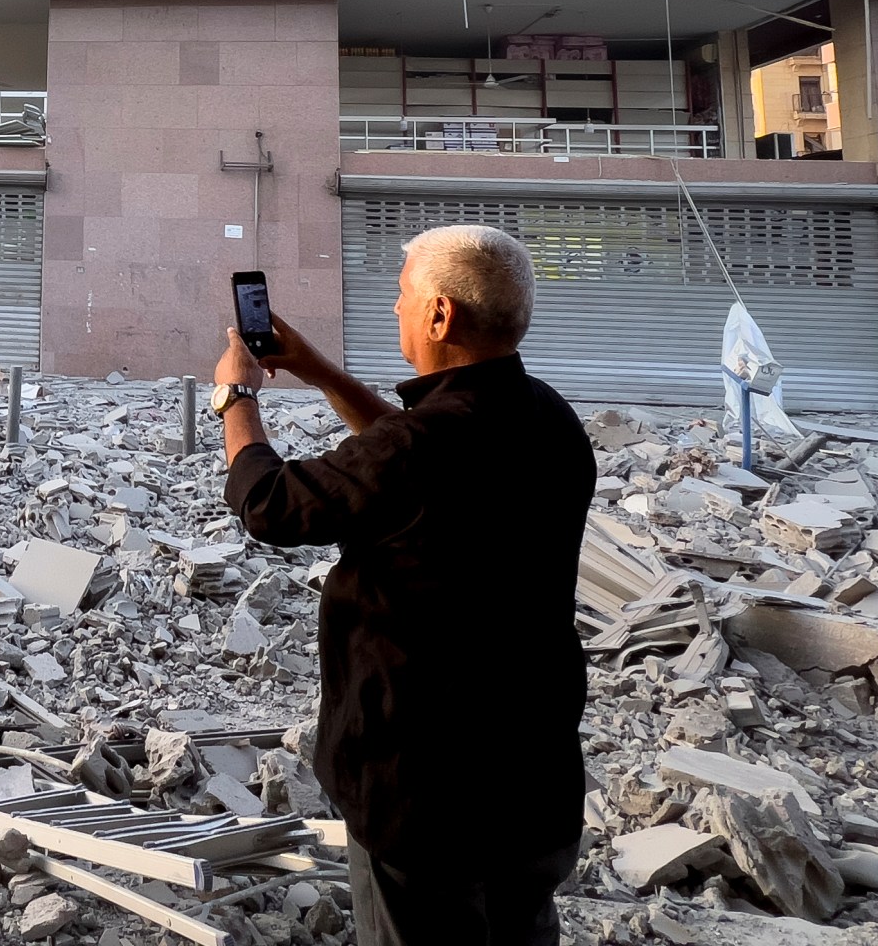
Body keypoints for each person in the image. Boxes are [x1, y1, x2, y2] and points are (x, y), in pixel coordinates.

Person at [207, 225, 594, 946]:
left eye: (402, 294)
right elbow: (417, 462)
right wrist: (323, 373)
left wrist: (236, 397)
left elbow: (272, 505)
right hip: (530, 781)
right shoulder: (548, 419)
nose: (394, 309)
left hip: (423, 794)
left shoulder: (421, 447)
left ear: (440, 315)